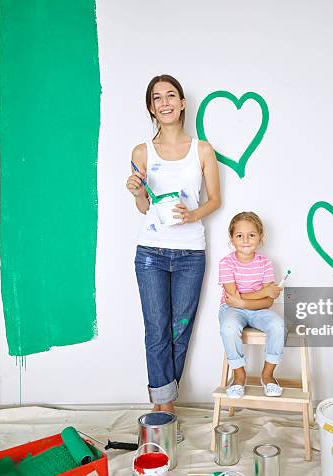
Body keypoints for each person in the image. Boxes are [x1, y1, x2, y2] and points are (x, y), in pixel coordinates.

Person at [126, 74, 221, 414]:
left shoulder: (202, 150)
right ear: (151, 108)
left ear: (182, 103)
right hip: (150, 252)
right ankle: (163, 408)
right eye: (156, 98)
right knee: (156, 330)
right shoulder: (141, 151)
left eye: (170, 96)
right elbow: (143, 206)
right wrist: (138, 190)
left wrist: (193, 214)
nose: (164, 102)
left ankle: (164, 404)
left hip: (190, 255)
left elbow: (215, 201)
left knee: (179, 331)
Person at [217, 211, 287, 399]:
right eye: (239, 235)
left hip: (259, 310)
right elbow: (232, 298)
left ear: (260, 238)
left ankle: (268, 375)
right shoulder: (226, 263)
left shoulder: (265, 263)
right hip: (232, 310)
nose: (246, 240)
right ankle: (239, 375)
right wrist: (264, 291)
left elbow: (269, 302)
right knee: (229, 327)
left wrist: (246, 301)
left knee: (278, 325)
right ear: (231, 238)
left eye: (252, 235)